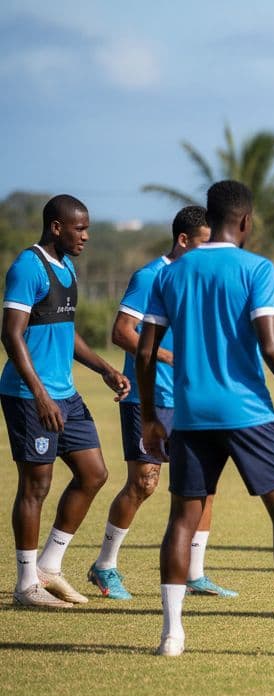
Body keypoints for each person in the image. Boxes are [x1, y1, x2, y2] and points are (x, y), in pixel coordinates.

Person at [138, 180, 274, 657]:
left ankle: (171, 635)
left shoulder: (171, 273)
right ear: (246, 221)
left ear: (210, 219)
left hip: (188, 414)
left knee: (182, 520)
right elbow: (270, 343)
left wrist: (150, 416)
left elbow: (145, 351)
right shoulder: (257, 268)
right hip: (248, 412)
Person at [87, 206, 236, 600]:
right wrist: (169, 357)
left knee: (204, 485)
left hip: (191, 398)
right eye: (204, 243)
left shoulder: (199, 278)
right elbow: (122, 332)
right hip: (148, 397)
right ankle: (104, 566)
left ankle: (195, 573)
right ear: (183, 240)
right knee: (144, 483)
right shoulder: (150, 276)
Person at [3, 195, 129, 608]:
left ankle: (50, 567)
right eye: (80, 228)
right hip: (29, 395)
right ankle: (26, 585)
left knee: (94, 473)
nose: (86, 236)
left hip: (66, 394)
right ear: (56, 227)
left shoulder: (68, 268)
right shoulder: (28, 267)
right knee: (36, 485)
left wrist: (105, 369)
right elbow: (11, 334)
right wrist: (40, 394)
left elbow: (66, 332)